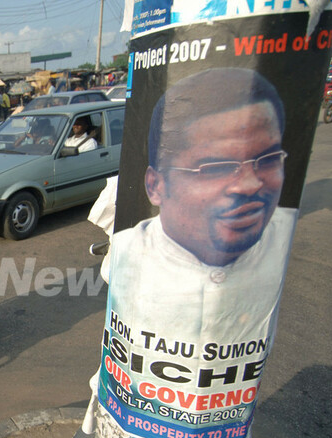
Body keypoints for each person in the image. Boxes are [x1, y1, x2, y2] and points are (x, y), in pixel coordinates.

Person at [110, 66, 295, 343]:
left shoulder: (286, 233)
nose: (249, 185)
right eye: (217, 167)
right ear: (155, 186)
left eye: (267, 160)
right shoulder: (125, 255)